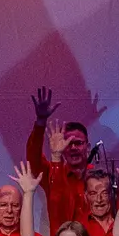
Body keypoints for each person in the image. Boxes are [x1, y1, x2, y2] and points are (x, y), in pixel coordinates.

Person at [26, 87, 93, 228]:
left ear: (88, 146)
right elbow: (33, 157)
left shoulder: (99, 178)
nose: (73, 148)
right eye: (68, 144)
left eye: (78, 143)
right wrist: (40, 123)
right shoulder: (52, 173)